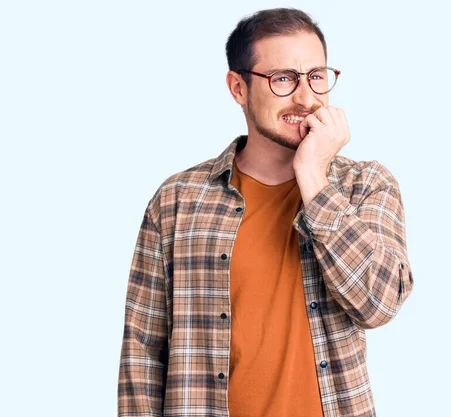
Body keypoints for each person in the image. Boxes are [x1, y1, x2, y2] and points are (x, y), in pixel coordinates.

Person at [117, 7, 414, 417]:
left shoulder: (366, 186)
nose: (307, 97)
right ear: (238, 87)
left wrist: (313, 175)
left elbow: (378, 304)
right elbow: (143, 352)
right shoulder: (176, 201)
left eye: (315, 76)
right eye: (283, 79)